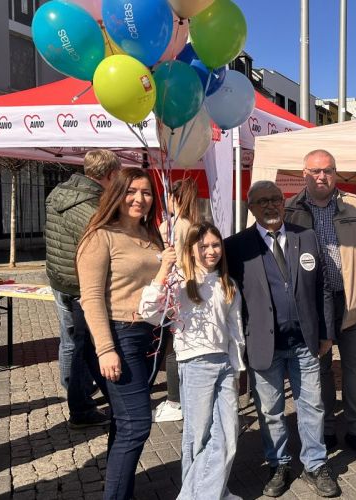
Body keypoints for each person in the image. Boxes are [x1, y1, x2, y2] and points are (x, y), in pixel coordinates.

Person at [226, 181, 340, 498]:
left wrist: (326, 333)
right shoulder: (235, 246)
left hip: (305, 341)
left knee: (312, 407)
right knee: (271, 411)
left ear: (284, 202)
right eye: (263, 201)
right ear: (251, 208)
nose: (271, 205)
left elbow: (322, 288)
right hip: (264, 344)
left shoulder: (305, 237)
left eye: (276, 199)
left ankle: (315, 465)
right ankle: (278, 464)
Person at [284, 149, 356, 463]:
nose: (321, 176)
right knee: (321, 368)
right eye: (314, 171)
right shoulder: (289, 210)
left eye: (327, 170)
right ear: (304, 174)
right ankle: (327, 430)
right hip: (313, 305)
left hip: (351, 300)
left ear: (335, 173)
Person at [76, 167, 164, 500]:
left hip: (150, 336)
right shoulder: (100, 236)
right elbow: (91, 297)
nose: (139, 199)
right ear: (117, 194)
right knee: (137, 424)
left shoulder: (151, 234)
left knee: (123, 422)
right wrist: (105, 349)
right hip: (119, 335)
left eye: (146, 192)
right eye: (131, 192)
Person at [139, 222, 244, 500]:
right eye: (204, 245)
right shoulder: (181, 280)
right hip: (195, 364)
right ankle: (206, 494)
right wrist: (164, 270)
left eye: (216, 244)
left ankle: (204, 494)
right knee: (197, 438)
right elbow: (149, 311)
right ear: (192, 249)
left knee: (228, 433)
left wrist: (236, 367)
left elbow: (235, 330)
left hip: (223, 364)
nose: (211, 251)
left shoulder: (228, 284)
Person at [45, 149, 119, 428]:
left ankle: (78, 393)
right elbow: (102, 250)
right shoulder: (92, 207)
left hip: (58, 278)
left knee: (72, 342)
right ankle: (80, 407)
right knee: (83, 346)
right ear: (110, 175)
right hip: (80, 284)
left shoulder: (58, 192)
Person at [153, 178, 200, 423]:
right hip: (190, 289)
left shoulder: (174, 225)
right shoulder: (194, 224)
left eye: (169, 197)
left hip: (175, 289)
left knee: (174, 347)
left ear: (177, 199)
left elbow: (168, 258)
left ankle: (174, 400)